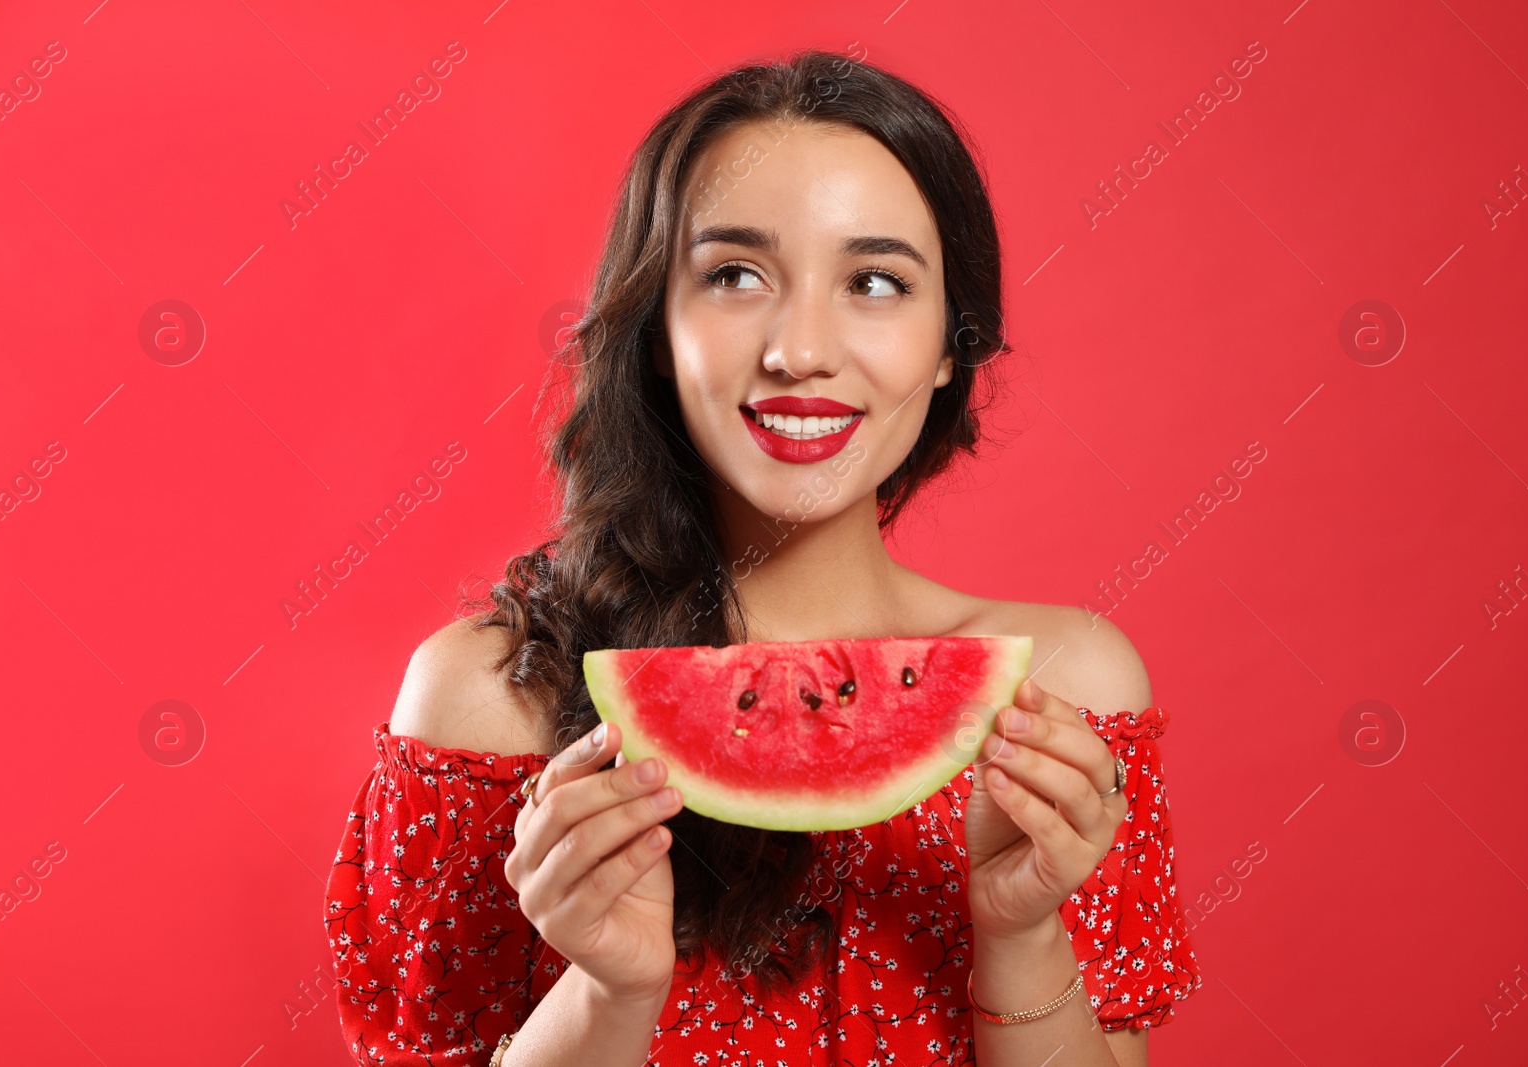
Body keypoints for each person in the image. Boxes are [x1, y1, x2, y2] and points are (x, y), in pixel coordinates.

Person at [324, 47, 1200, 1067]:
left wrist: (1020, 932)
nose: (799, 349)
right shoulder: (489, 703)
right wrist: (608, 993)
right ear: (658, 325)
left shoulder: (1058, 693)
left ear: (950, 340)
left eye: (875, 281)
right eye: (734, 274)